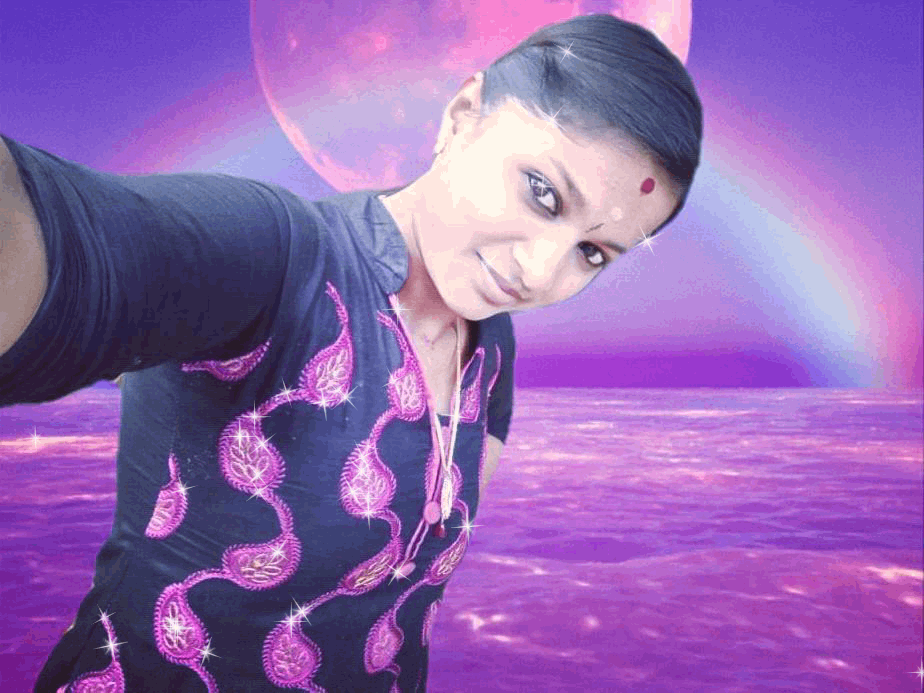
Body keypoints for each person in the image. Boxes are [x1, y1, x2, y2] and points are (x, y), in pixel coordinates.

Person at [0, 13, 702, 693]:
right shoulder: (280, 260)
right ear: (464, 115)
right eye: (543, 193)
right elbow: (78, 247)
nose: (541, 271)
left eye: (592, 252)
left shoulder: (490, 347)